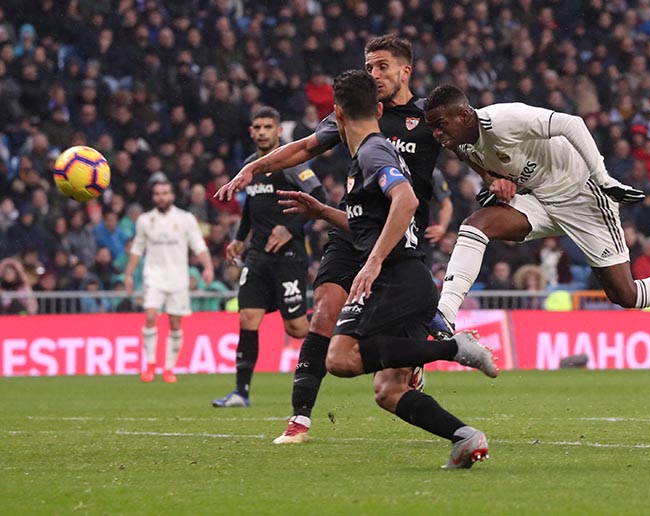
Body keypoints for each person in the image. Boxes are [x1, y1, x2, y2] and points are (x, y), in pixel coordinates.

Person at [215, 35, 452, 443]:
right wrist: (253, 170)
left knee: (388, 384)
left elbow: (470, 148)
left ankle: (421, 349)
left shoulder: (429, 117)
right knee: (325, 307)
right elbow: (305, 147)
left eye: (382, 66)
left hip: (399, 236)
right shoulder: (355, 112)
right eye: (370, 66)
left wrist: (496, 178)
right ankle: (300, 419)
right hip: (352, 227)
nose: (374, 74)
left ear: (404, 71)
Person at [279, 69, 495, 469]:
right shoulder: (372, 152)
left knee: (340, 359)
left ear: (337, 115)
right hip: (406, 278)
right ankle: (466, 437)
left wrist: (374, 261)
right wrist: (324, 211)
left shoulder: (372, 152)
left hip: (398, 276)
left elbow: (407, 201)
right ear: (377, 109)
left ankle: (455, 348)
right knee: (389, 390)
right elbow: (370, 221)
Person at [422, 84, 650, 340]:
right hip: (540, 200)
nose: (437, 134)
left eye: (440, 125)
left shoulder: (504, 119)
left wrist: (603, 178)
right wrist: (496, 181)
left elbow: (572, 123)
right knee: (475, 225)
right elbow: (487, 167)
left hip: (583, 195)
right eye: (433, 127)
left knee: (626, 293)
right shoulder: (461, 144)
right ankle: (446, 313)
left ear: (464, 115)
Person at [213, 107, 326, 408]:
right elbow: (251, 207)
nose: (262, 131)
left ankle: (339, 332)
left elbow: (320, 196)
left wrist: (290, 229)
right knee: (248, 317)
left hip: (288, 256)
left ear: (279, 131)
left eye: (268, 127)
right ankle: (241, 392)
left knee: (297, 328)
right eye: (257, 127)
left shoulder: (291, 162)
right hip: (258, 257)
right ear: (251, 131)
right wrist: (239, 239)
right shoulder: (250, 166)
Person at [125, 176, 214, 383]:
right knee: (150, 315)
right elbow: (137, 249)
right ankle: (149, 365)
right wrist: (129, 274)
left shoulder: (185, 219)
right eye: (157, 194)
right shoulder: (145, 220)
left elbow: (198, 246)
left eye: (165, 193)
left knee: (175, 322)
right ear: (153, 197)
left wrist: (208, 267)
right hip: (153, 275)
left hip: (178, 278)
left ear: (172, 195)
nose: (161, 197)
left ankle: (168, 368)